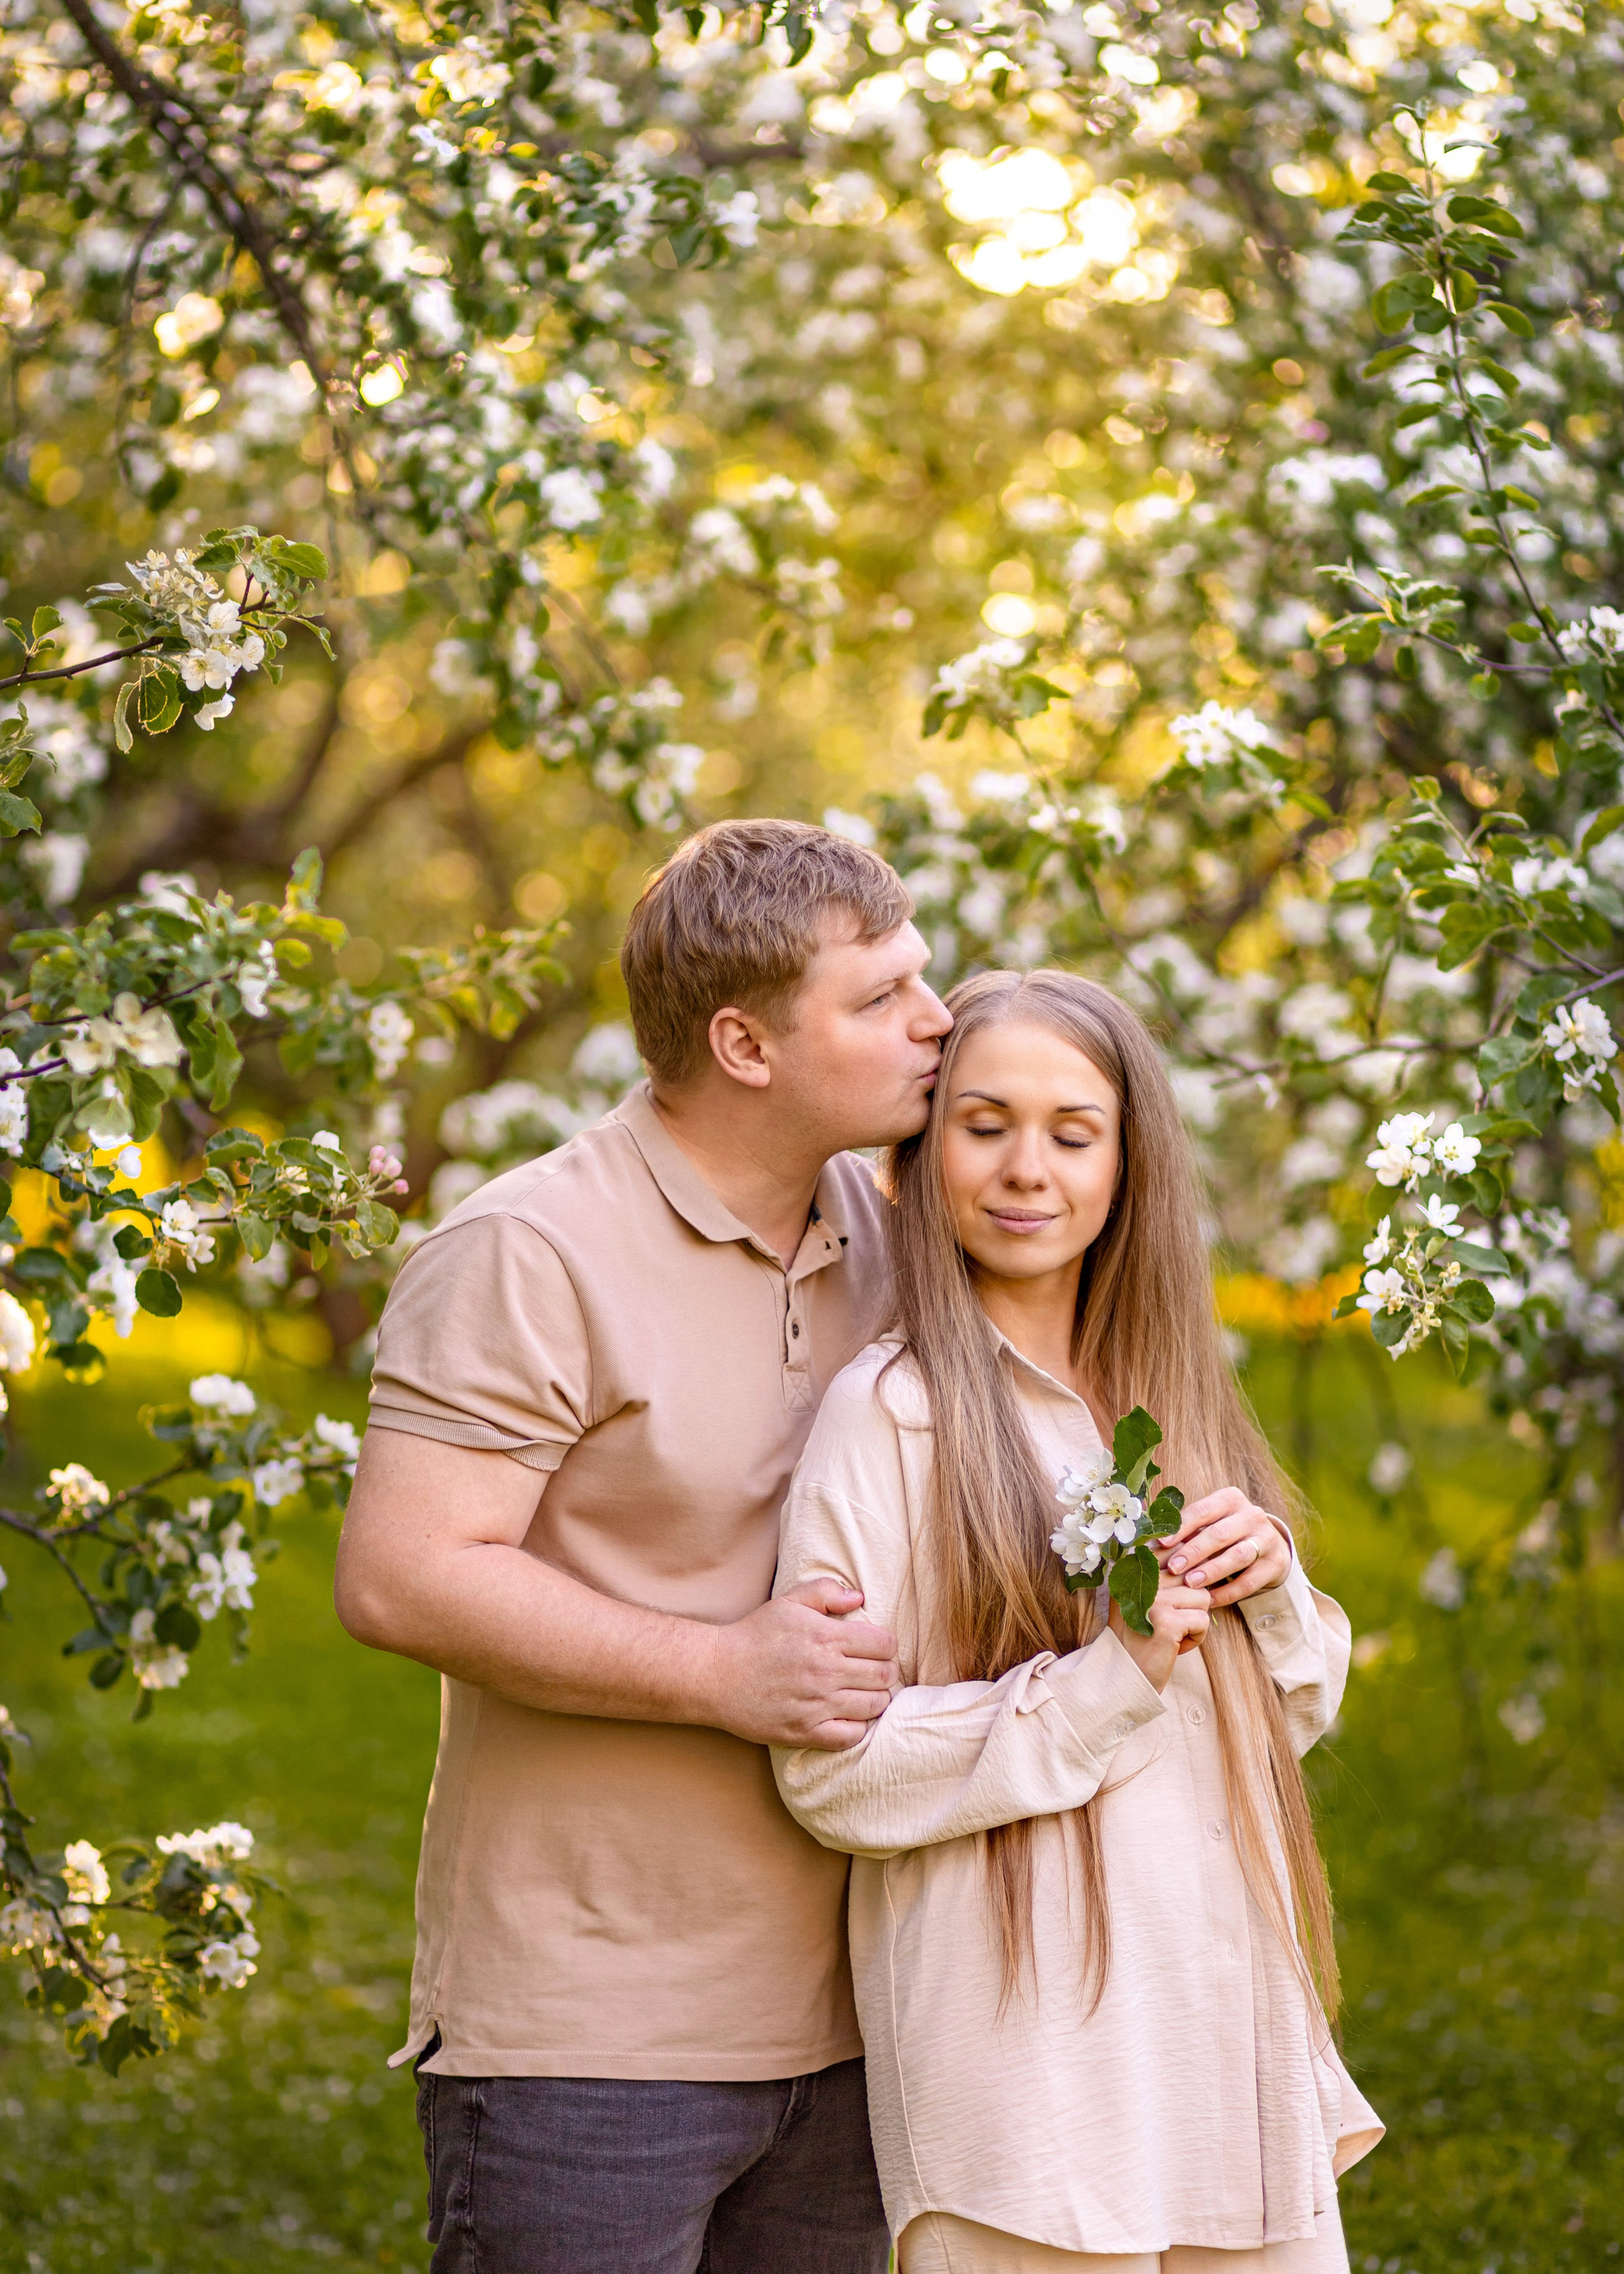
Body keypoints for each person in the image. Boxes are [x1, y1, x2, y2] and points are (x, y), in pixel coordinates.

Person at [334, 818, 952, 2274]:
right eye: (878, 1000)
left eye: (922, 980)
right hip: (589, 2038)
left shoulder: (896, 1229)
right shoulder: (526, 1252)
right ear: (744, 1046)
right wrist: (722, 1670)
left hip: (866, 2007)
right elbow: (401, 1572)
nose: (936, 1023)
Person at [771, 969, 1384, 2274]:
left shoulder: (1167, 1396)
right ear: (922, 1152)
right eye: (982, 1124)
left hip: (1225, 2045)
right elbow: (834, 1771)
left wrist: (1267, 1583)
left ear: (1126, 1160)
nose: (1024, 1169)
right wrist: (1104, 1679)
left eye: (1070, 1130)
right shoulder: (890, 1417)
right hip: (1025, 2083)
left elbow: (1289, 1708)